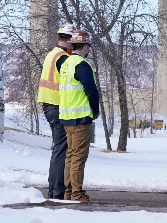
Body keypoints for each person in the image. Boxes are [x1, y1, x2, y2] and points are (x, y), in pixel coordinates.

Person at [58, 29, 99, 202]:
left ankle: (68, 191)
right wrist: (95, 110)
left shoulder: (66, 63)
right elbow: (91, 90)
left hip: (67, 117)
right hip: (81, 118)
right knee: (78, 157)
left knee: (70, 155)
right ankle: (76, 193)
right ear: (84, 46)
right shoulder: (82, 65)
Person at [37, 23, 77, 200]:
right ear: (69, 39)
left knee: (58, 149)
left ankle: (54, 189)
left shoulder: (52, 54)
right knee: (61, 149)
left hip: (49, 104)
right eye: (74, 40)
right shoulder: (62, 58)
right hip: (57, 106)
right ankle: (57, 192)